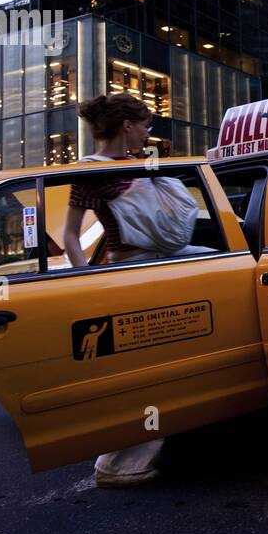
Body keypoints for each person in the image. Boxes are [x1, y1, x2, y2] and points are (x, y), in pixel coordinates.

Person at [63, 93, 166, 488]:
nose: (147, 132)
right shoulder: (90, 170)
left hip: (155, 265)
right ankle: (120, 463)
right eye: (145, 125)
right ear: (127, 126)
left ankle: (136, 455)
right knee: (144, 366)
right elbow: (70, 234)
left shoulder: (134, 163)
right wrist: (85, 279)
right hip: (130, 269)